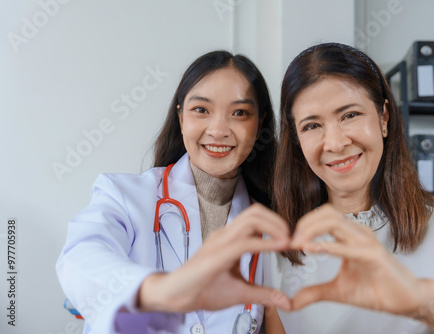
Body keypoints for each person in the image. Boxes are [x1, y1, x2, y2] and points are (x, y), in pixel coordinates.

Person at [269, 42, 434, 334]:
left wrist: (417, 298)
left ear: (384, 118)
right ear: (297, 141)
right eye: (312, 126)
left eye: (350, 115)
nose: (336, 143)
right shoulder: (275, 250)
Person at [56, 50, 292, 334]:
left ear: (259, 123)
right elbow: (80, 258)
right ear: (181, 116)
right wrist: (159, 289)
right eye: (201, 110)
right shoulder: (124, 196)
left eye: (239, 113)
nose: (218, 130)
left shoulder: (269, 227)